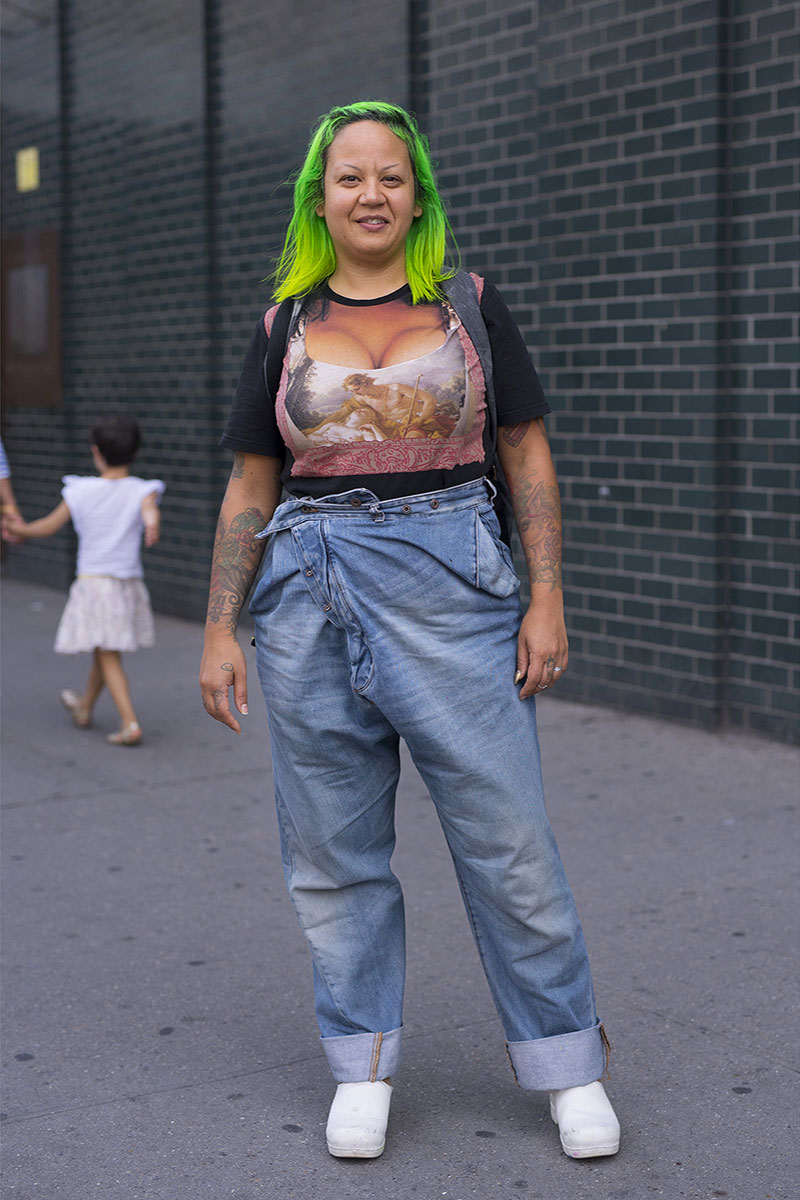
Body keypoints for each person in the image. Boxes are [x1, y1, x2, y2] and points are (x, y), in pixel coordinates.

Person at [199, 100, 621, 1162]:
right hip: (306, 593)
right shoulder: (282, 326)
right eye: (349, 178)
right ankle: (363, 1065)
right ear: (320, 198)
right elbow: (251, 482)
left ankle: (566, 1063)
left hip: (453, 588)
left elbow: (524, 454)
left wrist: (546, 595)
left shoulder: (470, 306)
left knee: (509, 843)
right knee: (333, 854)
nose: (371, 194)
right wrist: (220, 628)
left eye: (391, 176)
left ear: (417, 195)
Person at [6, 414, 163, 746]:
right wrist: (151, 524)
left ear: (96, 452)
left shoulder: (80, 490)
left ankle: (129, 723)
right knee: (104, 649)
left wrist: (20, 530)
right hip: (126, 584)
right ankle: (84, 707)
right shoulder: (142, 490)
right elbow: (150, 510)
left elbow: (49, 525)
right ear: (135, 452)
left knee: (107, 652)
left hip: (94, 584)